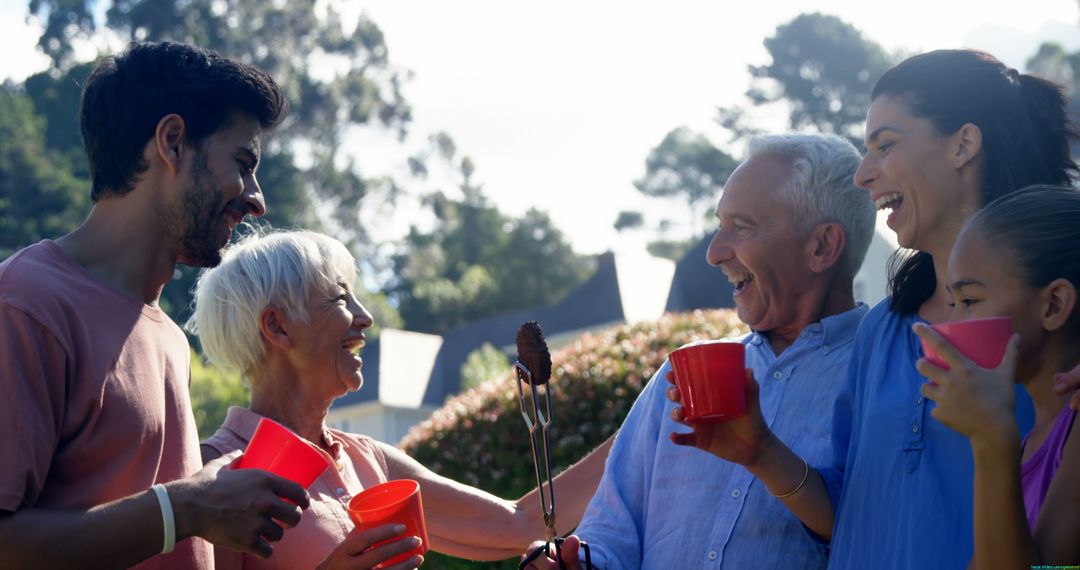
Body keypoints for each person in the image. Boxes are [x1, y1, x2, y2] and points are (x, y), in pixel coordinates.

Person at [668, 49, 1078, 569]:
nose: (863, 175)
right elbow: (854, 513)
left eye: (885, 145)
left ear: (964, 144)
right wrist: (761, 453)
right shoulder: (883, 330)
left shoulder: (1045, 325)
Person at [0, 41, 311, 569]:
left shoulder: (167, 335)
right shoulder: (25, 305)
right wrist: (185, 507)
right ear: (171, 141)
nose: (257, 198)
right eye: (242, 162)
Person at [524, 132, 876, 569]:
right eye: (719, 224)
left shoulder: (886, 372)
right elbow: (611, 531)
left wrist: (768, 456)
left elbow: (884, 538)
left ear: (822, 246)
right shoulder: (684, 372)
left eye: (741, 226)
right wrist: (579, 563)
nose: (714, 253)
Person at [187, 229, 613, 570]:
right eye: (340, 298)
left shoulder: (370, 462)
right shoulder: (214, 479)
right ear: (277, 328)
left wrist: (653, 418)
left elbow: (521, 524)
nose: (366, 317)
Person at [914, 185, 1080, 567]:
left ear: (1053, 305)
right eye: (952, 304)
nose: (950, 325)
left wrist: (990, 440)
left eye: (969, 301)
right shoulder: (1033, 440)